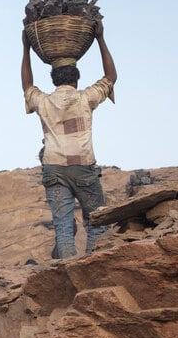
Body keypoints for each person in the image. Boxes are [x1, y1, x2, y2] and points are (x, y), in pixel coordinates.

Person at [21, 19, 117, 259]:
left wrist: (26, 49)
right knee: (96, 219)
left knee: (63, 226)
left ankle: (69, 270)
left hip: (53, 168)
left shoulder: (43, 101)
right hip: (82, 166)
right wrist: (100, 39)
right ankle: (93, 265)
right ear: (76, 79)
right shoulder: (85, 98)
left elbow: (27, 85)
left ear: (54, 80)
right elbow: (111, 76)